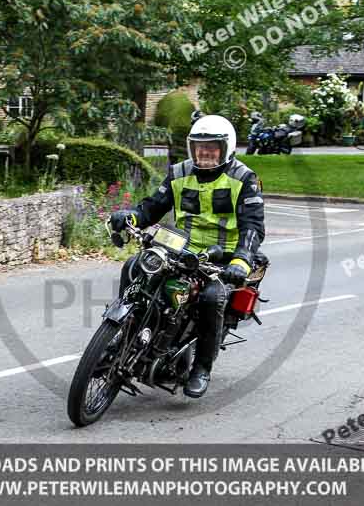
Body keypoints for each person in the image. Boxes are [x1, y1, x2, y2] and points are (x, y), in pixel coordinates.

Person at [109, 114, 265, 398]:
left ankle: (202, 367)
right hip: (181, 249)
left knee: (211, 297)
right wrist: (130, 216)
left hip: (222, 258)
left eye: (212, 147)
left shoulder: (244, 179)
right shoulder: (179, 172)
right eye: (199, 147)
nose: (204, 152)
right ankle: (125, 329)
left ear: (226, 148)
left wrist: (240, 261)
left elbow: (253, 226)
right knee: (134, 266)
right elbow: (153, 207)